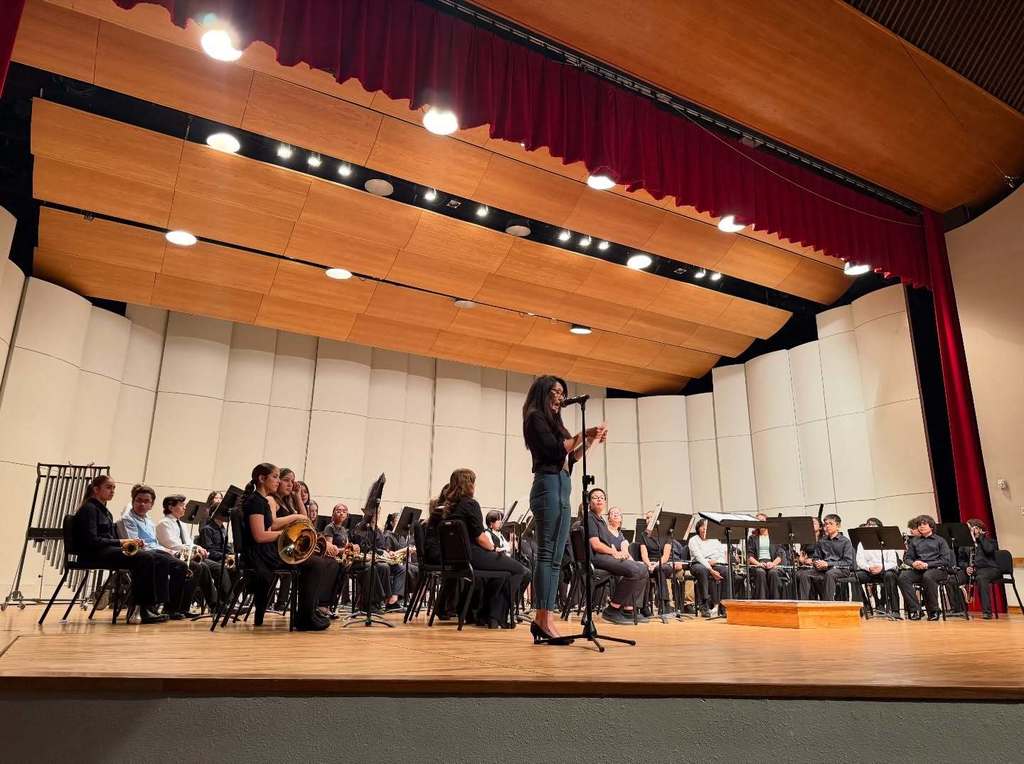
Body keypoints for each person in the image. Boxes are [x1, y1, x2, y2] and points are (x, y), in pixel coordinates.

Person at [522, 374, 606, 645]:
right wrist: (582, 434)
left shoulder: (555, 423)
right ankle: (543, 619)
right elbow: (552, 450)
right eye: (555, 392)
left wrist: (590, 439)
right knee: (546, 554)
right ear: (543, 393)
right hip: (547, 486)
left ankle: (544, 620)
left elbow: (571, 456)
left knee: (556, 558)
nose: (560, 397)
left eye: (562, 393)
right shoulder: (535, 417)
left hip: (562, 484)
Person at [239, 463, 334, 630]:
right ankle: (305, 616)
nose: (277, 481)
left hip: (267, 552)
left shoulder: (260, 500)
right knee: (316, 564)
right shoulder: (257, 501)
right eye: (275, 477)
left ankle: (306, 613)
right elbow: (260, 536)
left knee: (316, 562)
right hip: (261, 555)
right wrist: (288, 535)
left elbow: (269, 530)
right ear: (262, 479)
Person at [71, 476, 172, 624]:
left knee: (160, 558)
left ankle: (153, 606)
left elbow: (108, 540)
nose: (112, 491)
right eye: (108, 487)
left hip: (105, 551)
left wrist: (131, 543)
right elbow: (91, 541)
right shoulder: (89, 509)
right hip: (92, 554)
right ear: (96, 489)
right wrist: (122, 542)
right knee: (145, 558)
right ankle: (139, 609)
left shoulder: (104, 510)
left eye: (114, 488)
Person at [442, 469, 528, 628]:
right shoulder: (470, 504)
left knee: (503, 573)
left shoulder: (449, 509)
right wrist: (494, 548)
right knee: (520, 570)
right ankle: (497, 616)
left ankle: (485, 614)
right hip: (474, 556)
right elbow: (480, 538)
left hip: (459, 559)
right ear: (468, 485)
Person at [120, 484, 193, 618]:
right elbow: (133, 543)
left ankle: (170, 607)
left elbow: (155, 543)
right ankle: (154, 606)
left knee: (181, 565)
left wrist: (167, 550)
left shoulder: (149, 520)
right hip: (140, 554)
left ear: (152, 505)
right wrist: (164, 551)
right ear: (133, 501)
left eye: (146, 501)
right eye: (138, 500)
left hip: (154, 552)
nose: (142, 504)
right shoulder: (128, 519)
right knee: (170, 563)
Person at [585, 494, 647, 624]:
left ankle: (628, 609)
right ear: (589, 502)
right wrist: (615, 552)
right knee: (635, 570)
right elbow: (596, 545)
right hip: (598, 558)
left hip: (605, 556)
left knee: (643, 569)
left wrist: (620, 552)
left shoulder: (599, 520)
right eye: (595, 497)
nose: (599, 499)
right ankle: (612, 609)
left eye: (602, 497)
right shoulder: (590, 518)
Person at [155, 494, 220, 610]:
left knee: (213, 567)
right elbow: (173, 545)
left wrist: (198, 547)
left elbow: (188, 542)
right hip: (173, 557)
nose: (185, 508)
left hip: (186, 556)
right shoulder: (164, 523)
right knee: (199, 567)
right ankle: (182, 607)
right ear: (170, 507)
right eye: (182, 505)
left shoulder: (181, 523)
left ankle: (215, 605)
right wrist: (195, 549)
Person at [897, 515, 952, 621]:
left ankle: (934, 610)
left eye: (924, 524)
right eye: (919, 525)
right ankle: (916, 610)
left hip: (938, 570)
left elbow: (945, 560)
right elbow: (907, 558)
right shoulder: (915, 541)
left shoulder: (940, 541)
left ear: (931, 526)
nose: (921, 527)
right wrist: (913, 563)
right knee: (903, 577)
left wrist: (928, 565)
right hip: (919, 570)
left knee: (928, 576)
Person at [352, 508, 406, 612]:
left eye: (378, 512)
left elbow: (383, 547)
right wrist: (381, 552)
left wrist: (388, 552)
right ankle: (378, 601)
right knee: (383, 567)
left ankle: (392, 600)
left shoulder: (378, 530)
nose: (376, 514)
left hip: (379, 558)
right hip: (367, 559)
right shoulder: (361, 528)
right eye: (373, 512)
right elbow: (363, 547)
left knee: (401, 569)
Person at [796, 514, 854, 601]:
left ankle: (827, 604)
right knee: (804, 574)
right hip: (824, 568)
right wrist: (817, 563)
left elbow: (847, 562)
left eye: (830, 524)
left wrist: (828, 564)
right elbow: (816, 557)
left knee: (830, 574)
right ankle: (805, 603)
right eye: (826, 524)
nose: (827, 526)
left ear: (838, 526)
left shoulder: (845, 541)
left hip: (841, 569)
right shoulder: (822, 541)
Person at [951, 518, 1001, 619]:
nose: (968, 531)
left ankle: (987, 612)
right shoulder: (965, 543)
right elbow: (961, 560)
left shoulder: (990, 541)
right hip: (972, 570)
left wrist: (980, 538)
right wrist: (966, 567)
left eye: (970, 529)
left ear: (979, 529)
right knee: (952, 579)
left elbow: (989, 550)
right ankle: (959, 609)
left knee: (981, 578)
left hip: (989, 569)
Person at [854, 517, 899, 615]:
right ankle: (864, 606)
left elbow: (893, 562)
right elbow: (860, 561)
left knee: (890, 576)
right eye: (868, 525)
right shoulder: (862, 543)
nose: (870, 527)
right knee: (855, 577)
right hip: (869, 570)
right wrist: (868, 568)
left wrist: (881, 567)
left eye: (873, 525)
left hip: (885, 570)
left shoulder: (887, 541)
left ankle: (895, 610)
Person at [688, 518, 728, 617]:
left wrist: (717, 562)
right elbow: (699, 557)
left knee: (726, 571)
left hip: (714, 564)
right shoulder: (693, 540)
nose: (705, 529)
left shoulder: (714, 540)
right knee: (703, 570)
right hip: (697, 564)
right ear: (698, 528)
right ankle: (703, 605)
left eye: (707, 527)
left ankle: (723, 606)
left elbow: (722, 554)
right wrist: (711, 569)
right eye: (703, 527)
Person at [197, 503, 237, 603]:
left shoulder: (223, 529)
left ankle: (229, 600)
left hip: (222, 558)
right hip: (212, 559)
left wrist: (232, 555)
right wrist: (225, 556)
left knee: (239, 570)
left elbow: (226, 547)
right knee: (223, 568)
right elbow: (208, 551)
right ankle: (228, 602)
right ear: (216, 513)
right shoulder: (207, 529)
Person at [745, 513, 786, 600]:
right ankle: (762, 600)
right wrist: (758, 563)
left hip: (772, 562)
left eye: (762, 521)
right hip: (758, 563)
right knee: (760, 572)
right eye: (758, 521)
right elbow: (749, 555)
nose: (760, 523)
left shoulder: (775, 536)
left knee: (773, 573)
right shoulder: (752, 538)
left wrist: (773, 564)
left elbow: (780, 555)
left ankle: (775, 601)